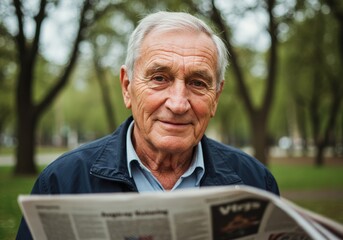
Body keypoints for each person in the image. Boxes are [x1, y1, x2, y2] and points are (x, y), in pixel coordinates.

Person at [16, 11, 279, 239]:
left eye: (198, 83)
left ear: (216, 98)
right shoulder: (62, 183)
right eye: (160, 78)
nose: (178, 104)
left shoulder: (255, 183)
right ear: (127, 87)